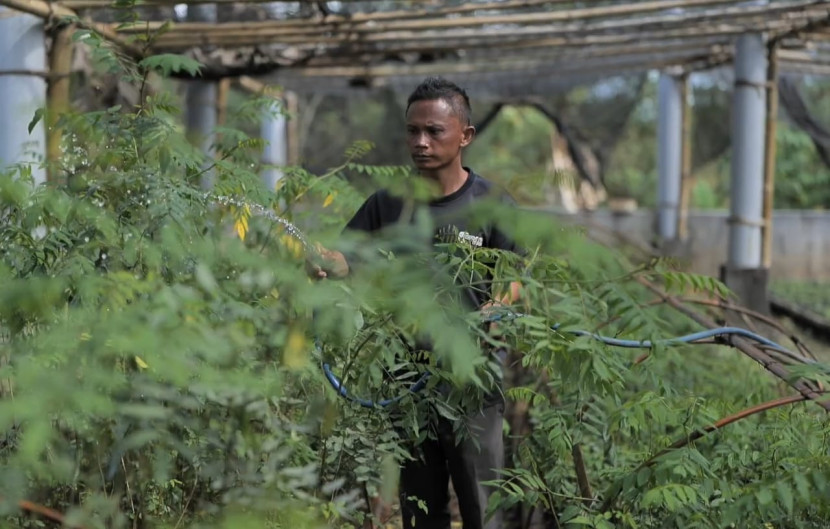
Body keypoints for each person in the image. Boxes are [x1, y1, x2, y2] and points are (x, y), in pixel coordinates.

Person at [308, 76, 522, 529]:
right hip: (405, 382)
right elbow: (349, 255)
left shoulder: (491, 204)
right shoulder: (387, 204)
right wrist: (327, 263)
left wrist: (496, 310)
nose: (420, 142)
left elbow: (516, 278)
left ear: (465, 136)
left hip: (471, 382)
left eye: (434, 131)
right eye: (412, 131)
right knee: (421, 511)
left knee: (484, 506)